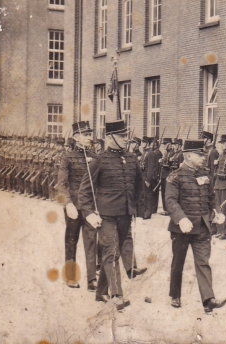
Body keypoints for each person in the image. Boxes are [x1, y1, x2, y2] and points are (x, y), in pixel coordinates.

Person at [78, 120, 143, 310]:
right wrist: (89, 213)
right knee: (111, 252)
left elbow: (139, 186)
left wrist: (134, 207)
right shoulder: (99, 160)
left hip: (125, 215)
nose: (125, 139)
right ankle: (117, 295)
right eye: (121, 136)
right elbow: (84, 191)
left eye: (126, 135)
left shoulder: (132, 159)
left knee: (112, 252)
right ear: (109, 137)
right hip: (105, 216)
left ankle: (100, 293)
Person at [165, 139, 226, 313]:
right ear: (188, 155)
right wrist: (181, 219)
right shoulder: (175, 176)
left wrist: (217, 211)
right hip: (182, 228)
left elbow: (212, 198)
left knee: (203, 263)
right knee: (178, 262)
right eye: (200, 154)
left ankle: (208, 299)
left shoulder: (205, 174)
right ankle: (175, 294)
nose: (203, 157)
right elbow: (170, 201)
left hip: (202, 227)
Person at [57, 121, 98, 291]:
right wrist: (68, 204)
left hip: (89, 207)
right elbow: (61, 184)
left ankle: (91, 280)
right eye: (86, 134)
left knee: (91, 242)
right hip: (74, 207)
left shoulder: (95, 156)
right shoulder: (67, 157)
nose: (90, 137)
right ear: (75, 137)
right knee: (71, 241)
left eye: (90, 134)